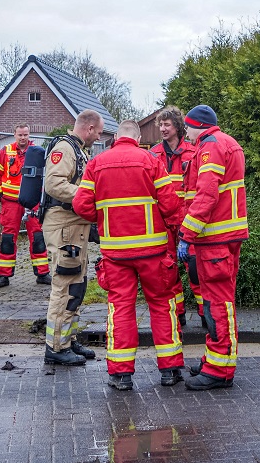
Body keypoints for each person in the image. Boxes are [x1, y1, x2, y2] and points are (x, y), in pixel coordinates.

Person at [73, 120, 182, 390]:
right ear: (138, 137)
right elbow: (170, 203)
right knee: (161, 305)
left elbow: (81, 204)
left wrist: (103, 219)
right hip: (153, 251)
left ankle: (121, 375)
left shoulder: (97, 163)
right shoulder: (151, 160)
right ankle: (169, 370)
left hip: (116, 252)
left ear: (116, 137)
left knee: (120, 308)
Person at [177, 104, 247, 390]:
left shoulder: (210, 146)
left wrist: (186, 234)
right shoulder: (223, 143)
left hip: (215, 238)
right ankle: (214, 360)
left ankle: (220, 370)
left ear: (197, 126)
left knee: (217, 304)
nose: (186, 133)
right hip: (221, 237)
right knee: (217, 302)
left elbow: (206, 194)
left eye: (187, 127)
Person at [41, 109, 104, 367]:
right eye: (99, 132)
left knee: (77, 285)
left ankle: (68, 339)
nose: (99, 137)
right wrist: (88, 194)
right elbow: (54, 184)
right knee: (65, 285)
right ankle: (55, 346)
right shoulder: (65, 148)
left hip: (75, 226)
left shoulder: (79, 149)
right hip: (64, 226)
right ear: (89, 129)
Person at [148, 106, 196, 328]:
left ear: (177, 126)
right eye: (161, 124)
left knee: (195, 268)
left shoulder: (192, 152)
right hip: (163, 220)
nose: (163, 128)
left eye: (167, 124)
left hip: (187, 219)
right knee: (168, 269)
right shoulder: (153, 154)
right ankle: (178, 313)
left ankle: (207, 311)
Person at [0, 123, 51, 288]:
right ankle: (4, 276)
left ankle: (42, 273)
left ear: (29, 135)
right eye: (20, 135)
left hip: (32, 202)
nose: (23, 138)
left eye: (25, 135)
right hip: (10, 203)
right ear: (14, 135)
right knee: (8, 239)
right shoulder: (5, 151)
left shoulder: (38, 152)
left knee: (38, 237)